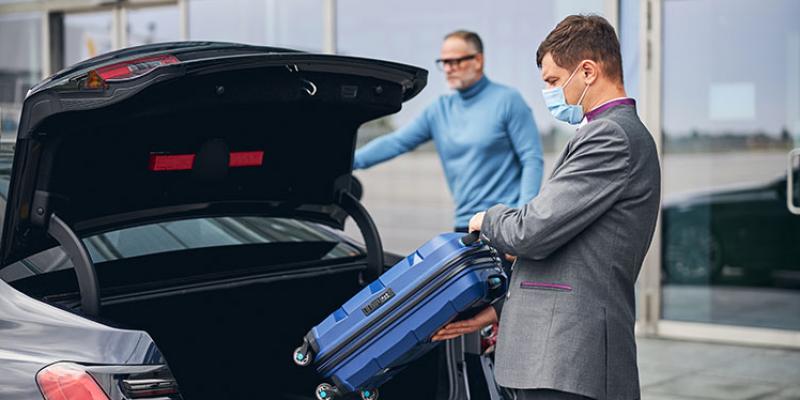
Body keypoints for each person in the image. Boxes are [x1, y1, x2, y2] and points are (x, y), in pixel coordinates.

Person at [432, 15, 661, 400]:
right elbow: (576, 251)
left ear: (587, 71)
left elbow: (533, 232)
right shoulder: (609, 132)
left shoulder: (610, 136)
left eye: (554, 81)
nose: (551, 92)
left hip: (567, 359)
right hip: (559, 355)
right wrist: (502, 307)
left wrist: (486, 219)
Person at [354, 30, 544, 231]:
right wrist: (345, 162)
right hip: (466, 224)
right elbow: (396, 142)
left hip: (504, 223)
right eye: (444, 62)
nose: (449, 69)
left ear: (478, 60)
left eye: (456, 61)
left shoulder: (508, 100)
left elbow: (532, 159)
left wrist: (521, 220)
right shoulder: (439, 109)